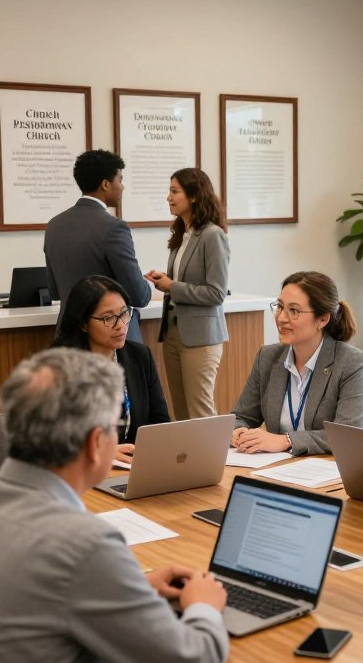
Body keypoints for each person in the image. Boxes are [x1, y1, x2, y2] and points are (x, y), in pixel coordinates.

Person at [0, 348, 228, 663]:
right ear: (95, 444)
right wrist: (203, 606)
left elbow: (29, 589)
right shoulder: (84, 545)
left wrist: (133, 586)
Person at [231, 271, 363, 456]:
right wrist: (238, 432)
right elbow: (241, 417)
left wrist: (286, 441)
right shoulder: (267, 357)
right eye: (279, 307)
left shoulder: (351, 363)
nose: (281, 318)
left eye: (294, 311)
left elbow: (349, 435)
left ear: (322, 319)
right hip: (273, 467)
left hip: (324, 472)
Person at [51, 275, 169, 464]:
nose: (121, 325)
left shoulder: (139, 356)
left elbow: (160, 423)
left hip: (133, 467)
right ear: (82, 323)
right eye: (108, 318)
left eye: (124, 313)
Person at [44, 149, 154, 343]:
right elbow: (139, 296)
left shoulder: (54, 225)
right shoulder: (114, 227)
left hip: (69, 338)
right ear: (105, 184)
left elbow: (54, 292)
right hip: (111, 340)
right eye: (120, 180)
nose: (122, 187)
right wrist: (150, 285)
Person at [146, 168, 229, 420]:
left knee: (200, 413)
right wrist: (166, 282)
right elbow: (184, 282)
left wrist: (172, 287)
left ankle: (213, 461)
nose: (168, 197)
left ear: (193, 196)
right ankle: (189, 461)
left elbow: (216, 293)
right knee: (181, 415)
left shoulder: (213, 235)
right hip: (172, 334)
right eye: (169, 191)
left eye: (174, 191)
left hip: (200, 339)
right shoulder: (182, 233)